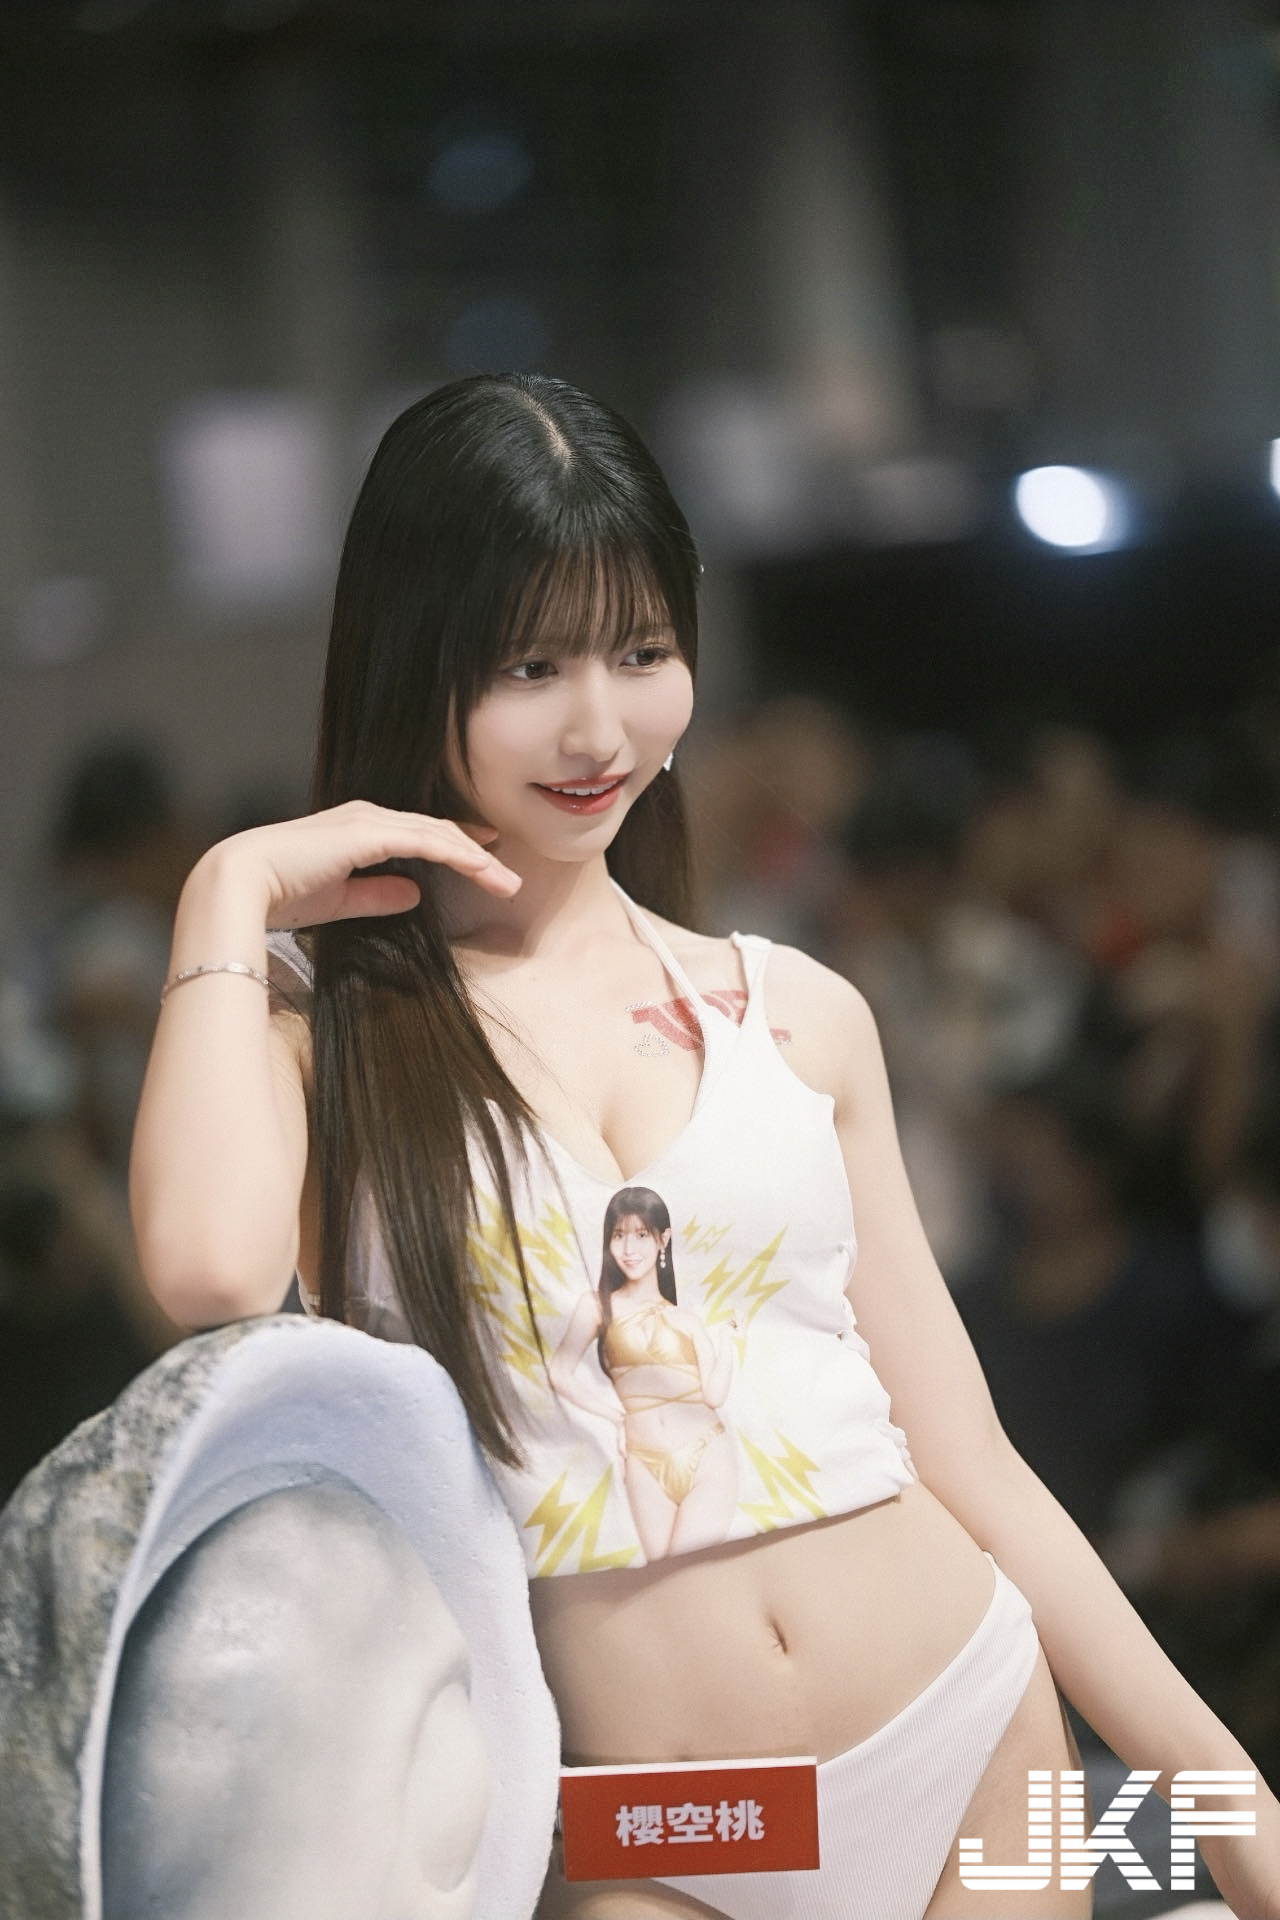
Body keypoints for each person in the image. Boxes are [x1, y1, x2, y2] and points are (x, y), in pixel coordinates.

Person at [129, 373, 1280, 1920]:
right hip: (653, 1832)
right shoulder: (321, 1040)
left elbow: (973, 1462)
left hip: (967, 1733)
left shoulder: (798, 1013)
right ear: (415, 665)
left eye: (642, 652)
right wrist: (226, 892)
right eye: (530, 664)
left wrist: (1230, 1803)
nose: (598, 726)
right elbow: (207, 1274)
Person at [549, 1183, 737, 1561]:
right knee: (663, 1578)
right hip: (643, 1462)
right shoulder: (597, 1307)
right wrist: (614, 1417)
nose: (628, 1249)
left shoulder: (686, 1320)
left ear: (663, 1239)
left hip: (708, 1455)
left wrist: (728, 1341)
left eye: (640, 1235)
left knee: (688, 1574)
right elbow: (560, 1372)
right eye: (618, 1235)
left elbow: (714, 1395)